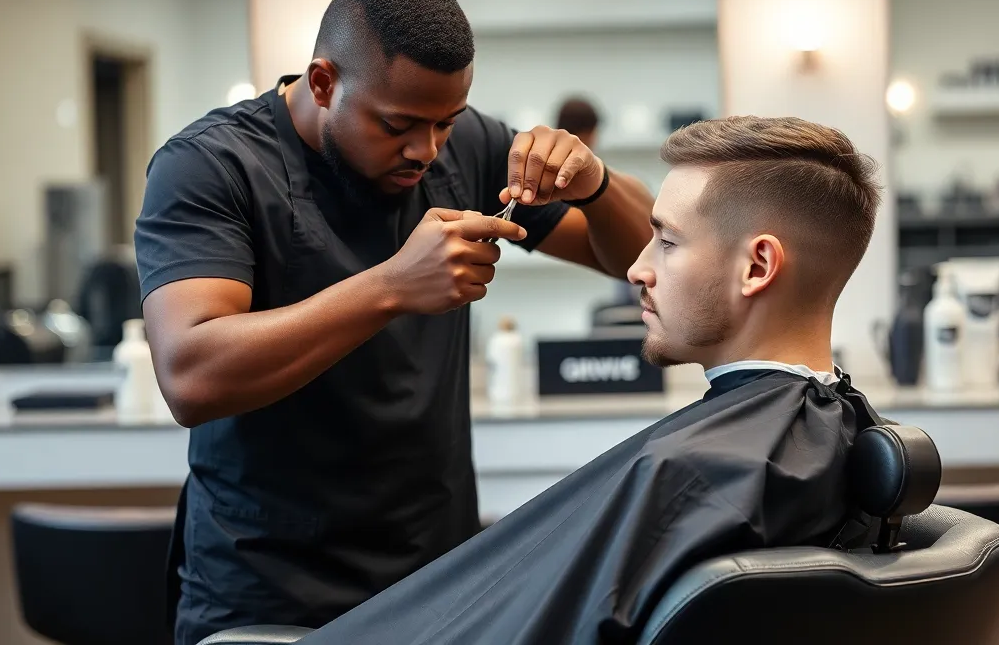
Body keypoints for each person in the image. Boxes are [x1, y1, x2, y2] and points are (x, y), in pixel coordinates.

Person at [134, 0, 655, 645]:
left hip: (436, 579)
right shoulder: (213, 166)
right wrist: (389, 287)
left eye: (446, 122)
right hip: (265, 592)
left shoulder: (464, 146)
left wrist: (596, 183)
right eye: (399, 124)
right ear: (323, 82)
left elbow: (646, 256)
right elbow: (191, 374)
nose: (426, 148)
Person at [299, 116, 887, 645]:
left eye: (668, 240)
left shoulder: (692, 472)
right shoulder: (839, 436)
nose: (637, 267)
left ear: (757, 267)